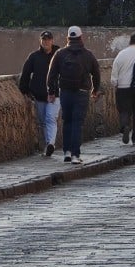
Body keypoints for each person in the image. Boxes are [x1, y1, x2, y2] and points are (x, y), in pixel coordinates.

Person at [46, 26, 102, 165]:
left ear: (68, 38)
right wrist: (95, 89)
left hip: (65, 92)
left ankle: (66, 152)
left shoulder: (60, 54)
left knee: (67, 121)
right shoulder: (88, 55)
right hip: (82, 93)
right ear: (81, 37)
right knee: (77, 123)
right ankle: (75, 155)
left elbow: (51, 75)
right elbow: (96, 73)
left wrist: (51, 92)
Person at [17, 30, 60, 157]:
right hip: (40, 95)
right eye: (43, 40)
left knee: (50, 118)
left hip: (55, 94)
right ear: (40, 41)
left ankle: (51, 143)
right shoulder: (34, 57)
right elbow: (25, 74)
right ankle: (48, 145)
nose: (46, 42)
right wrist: (25, 90)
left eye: (48, 39)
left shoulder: (59, 55)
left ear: (52, 41)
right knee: (42, 121)